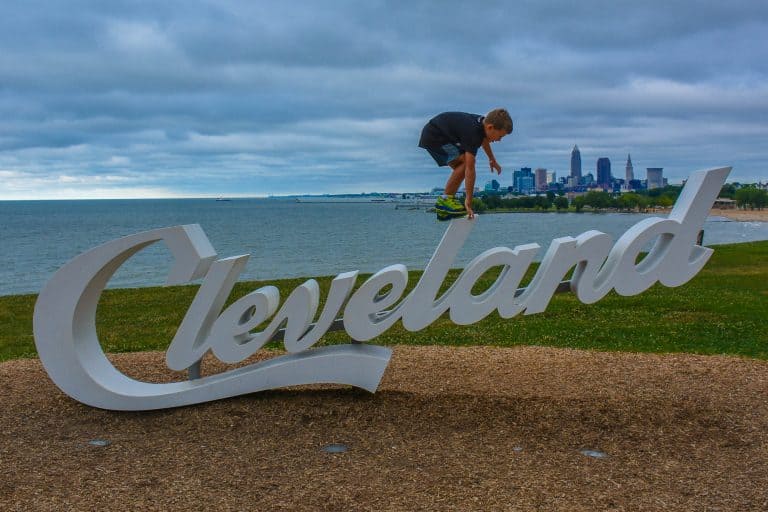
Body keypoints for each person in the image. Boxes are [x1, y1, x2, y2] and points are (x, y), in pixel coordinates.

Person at [418, 109, 513, 220]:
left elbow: (484, 140)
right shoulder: (473, 133)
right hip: (434, 136)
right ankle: (444, 202)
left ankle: (445, 208)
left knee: (462, 167)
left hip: (440, 133)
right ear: (490, 127)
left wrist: (492, 159)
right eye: (500, 136)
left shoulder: (483, 124)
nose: (499, 140)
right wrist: (468, 201)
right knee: (465, 165)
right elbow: (470, 169)